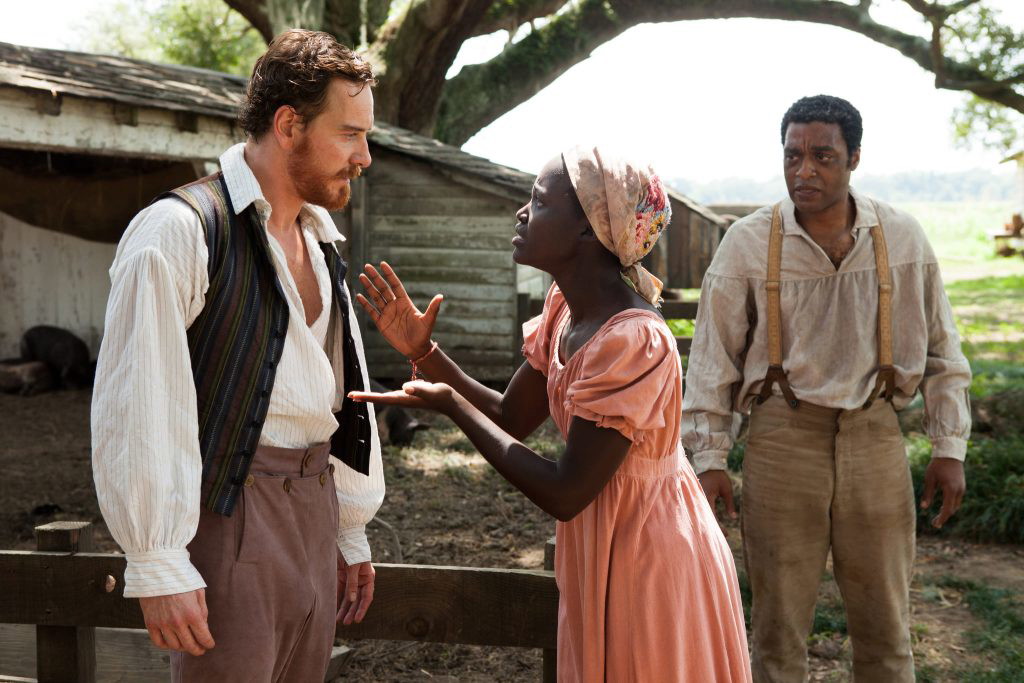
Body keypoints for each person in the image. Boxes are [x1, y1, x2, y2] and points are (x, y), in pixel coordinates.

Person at [350, 147, 752, 682]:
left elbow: (566, 492)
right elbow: (511, 417)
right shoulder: (567, 310)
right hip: (608, 540)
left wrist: (451, 406)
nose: (522, 213)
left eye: (538, 202)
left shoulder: (633, 339)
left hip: (651, 553)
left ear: (591, 229)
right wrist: (425, 353)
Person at [91, 30, 384, 681]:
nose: (365, 156)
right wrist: (158, 557)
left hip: (315, 513)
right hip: (233, 515)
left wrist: (348, 527)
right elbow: (137, 402)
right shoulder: (180, 230)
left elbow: (337, 393)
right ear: (288, 125)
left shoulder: (321, 241)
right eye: (350, 134)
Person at [682, 94, 972, 682]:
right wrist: (710, 457)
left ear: (854, 158)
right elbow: (712, 362)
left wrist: (949, 447)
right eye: (793, 156)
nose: (803, 170)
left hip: (875, 438)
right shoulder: (747, 243)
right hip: (783, 442)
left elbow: (943, 349)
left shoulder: (902, 238)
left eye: (822, 156)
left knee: (887, 628)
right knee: (778, 631)